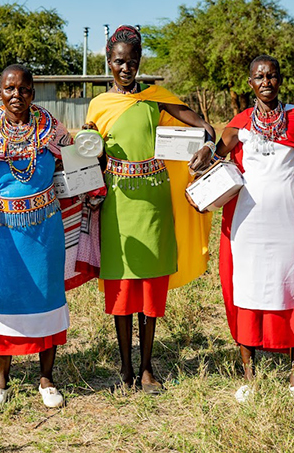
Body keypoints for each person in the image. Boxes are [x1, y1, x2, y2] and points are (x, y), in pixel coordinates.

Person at [84, 26, 215, 393]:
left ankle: (146, 369)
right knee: (123, 287)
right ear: (109, 63)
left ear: (140, 62)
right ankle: (125, 368)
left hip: (155, 200)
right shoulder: (98, 106)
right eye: (119, 62)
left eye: (133, 61)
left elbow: (204, 127)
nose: (127, 68)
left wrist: (207, 147)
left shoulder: (156, 98)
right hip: (117, 204)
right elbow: (88, 151)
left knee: (152, 287)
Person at [0, 64, 99, 408]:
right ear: (0, 92)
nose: (16, 95)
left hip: (45, 230)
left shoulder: (50, 127)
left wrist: (89, 143)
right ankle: (0, 382)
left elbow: (73, 161)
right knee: (4, 301)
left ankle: (47, 379)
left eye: (23, 89)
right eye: (9, 89)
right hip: (3, 234)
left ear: (32, 92)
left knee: (46, 299)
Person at [214, 55, 294, 401]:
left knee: (291, 288)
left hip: (287, 219)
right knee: (246, 290)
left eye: (272, 76)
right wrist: (206, 152)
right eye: (259, 76)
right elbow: (216, 160)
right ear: (249, 82)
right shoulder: (238, 123)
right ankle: (249, 376)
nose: (266, 81)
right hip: (247, 222)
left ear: (281, 80)